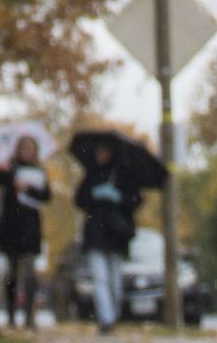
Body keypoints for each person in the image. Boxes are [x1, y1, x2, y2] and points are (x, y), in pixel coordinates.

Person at [74, 140, 141, 333]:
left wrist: (118, 197)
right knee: (99, 277)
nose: (99, 155)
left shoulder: (124, 175)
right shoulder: (91, 175)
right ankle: (106, 318)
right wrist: (94, 195)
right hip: (95, 233)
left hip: (116, 234)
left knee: (114, 278)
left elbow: (134, 200)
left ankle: (113, 313)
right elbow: (79, 199)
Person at [0, 136, 52, 328]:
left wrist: (28, 188)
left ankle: (30, 315)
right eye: (24, 148)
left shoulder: (39, 171)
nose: (27, 152)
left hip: (31, 228)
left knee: (30, 272)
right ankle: (11, 314)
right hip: (10, 227)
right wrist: (1, 170)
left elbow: (46, 196)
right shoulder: (9, 170)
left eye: (30, 149)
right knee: (11, 273)